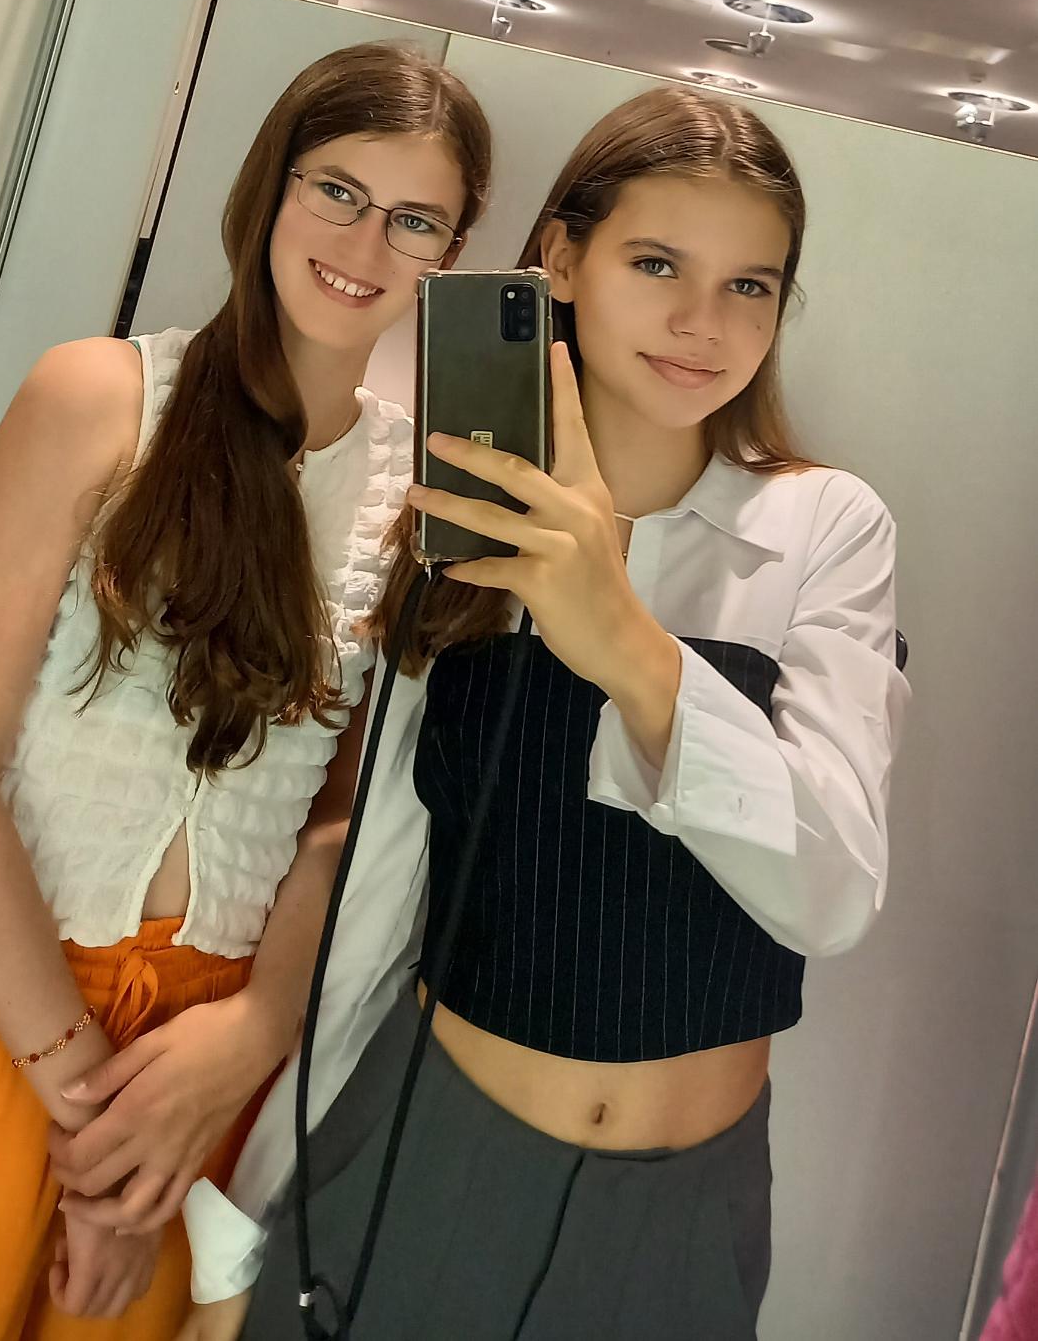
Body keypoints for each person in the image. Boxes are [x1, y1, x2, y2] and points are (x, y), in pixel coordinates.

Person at [0, 39, 491, 1340]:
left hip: (196, 1071)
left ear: (450, 254)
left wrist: (254, 1028)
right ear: (270, 183)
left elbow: (339, 816)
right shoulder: (98, 398)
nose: (364, 242)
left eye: (414, 219)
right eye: (336, 190)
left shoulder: (412, 495)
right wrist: (94, 1124)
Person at [178, 84, 911, 1340]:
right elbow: (379, 893)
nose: (702, 321)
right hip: (425, 1150)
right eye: (656, 263)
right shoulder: (458, 522)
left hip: (681, 1214)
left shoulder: (820, 528)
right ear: (561, 260)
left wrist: (621, 640)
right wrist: (242, 1236)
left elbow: (831, 893)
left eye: (748, 284)